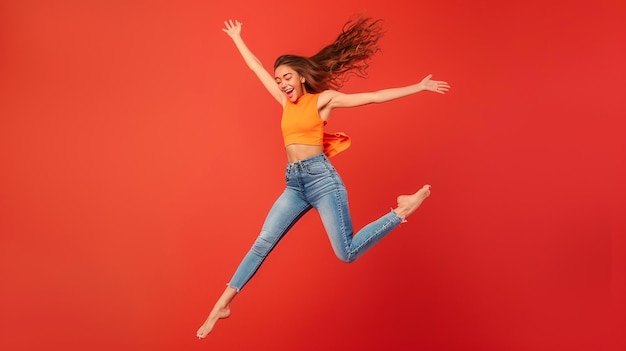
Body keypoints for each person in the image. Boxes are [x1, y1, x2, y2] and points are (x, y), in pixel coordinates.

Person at [197, 16, 450, 339]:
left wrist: (419, 86)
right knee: (263, 242)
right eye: (278, 80)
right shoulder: (284, 104)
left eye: (287, 77)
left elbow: (373, 97)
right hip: (295, 183)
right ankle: (223, 304)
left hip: (322, 181)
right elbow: (256, 67)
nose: (281, 83)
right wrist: (237, 38)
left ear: (301, 77)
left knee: (346, 253)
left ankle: (402, 210)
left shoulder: (322, 101)